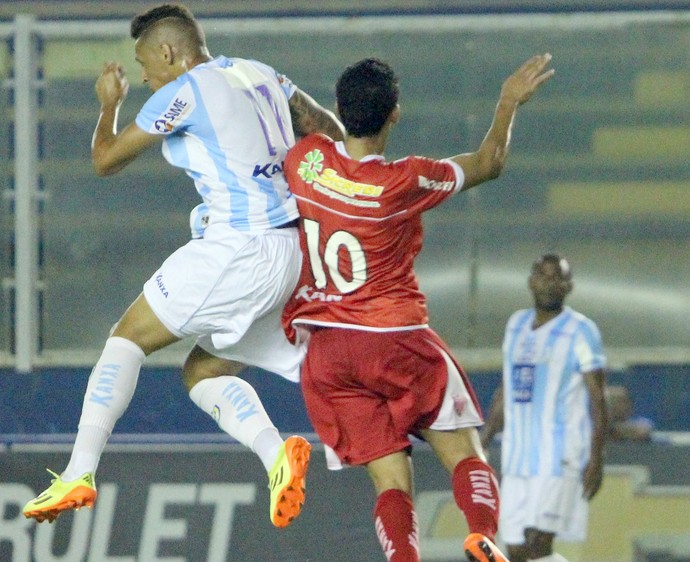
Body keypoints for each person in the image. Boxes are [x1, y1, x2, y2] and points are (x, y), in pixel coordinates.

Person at [23, 3, 343, 528]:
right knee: (203, 371)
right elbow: (325, 129)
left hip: (240, 248)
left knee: (127, 338)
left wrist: (110, 105)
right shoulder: (260, 73)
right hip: (294, 253)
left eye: (145, 63)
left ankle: (79, 473)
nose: (145, 76)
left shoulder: (185, 90)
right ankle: (277, 455)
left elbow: (104, 160)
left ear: (169, 53)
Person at [281, 55, 554, 562]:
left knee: (389, 478)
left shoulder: (307, 161)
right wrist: (508, 102)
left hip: (328, 352)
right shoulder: (404, 180)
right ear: (396, 115)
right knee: (464, 452)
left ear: (341, 107)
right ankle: (480, 533)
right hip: (395, 339)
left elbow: (310, 122)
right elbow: (489, 162)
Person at [480, 254, 608, 562]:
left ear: (568, 286)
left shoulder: (581, 330)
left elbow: (598, 397)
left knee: (537, 542)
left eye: (557, 277)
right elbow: (507, 388)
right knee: (516, 550)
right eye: (543, 276)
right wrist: (481, 442)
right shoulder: (516, 325)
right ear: (530, 282)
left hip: (559, 456)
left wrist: (597, 456)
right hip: (516, 457)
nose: (550, 284)